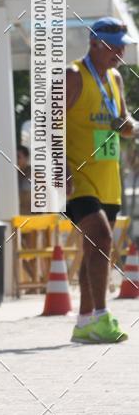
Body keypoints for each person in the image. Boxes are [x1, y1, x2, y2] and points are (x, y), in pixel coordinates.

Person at [66, 17, 137, 344]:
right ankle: (102, 316)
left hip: (108, 176)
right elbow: (47, 124)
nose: (121, 52)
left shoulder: (115, 78)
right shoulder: (72, 75)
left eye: (124, 45)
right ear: (94, 43)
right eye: (115, 45)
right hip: (76, 176)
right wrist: (58, 168)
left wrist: (129, 126)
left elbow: (124, 120)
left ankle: (84, 323)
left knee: (95, 248)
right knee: (103, 239)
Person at [17, 145, 32, 215]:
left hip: (34, 214)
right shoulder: (14, 174)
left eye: (18, 157)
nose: (16, 159)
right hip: (20, 213)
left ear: (26, 158)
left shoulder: (35, 173)